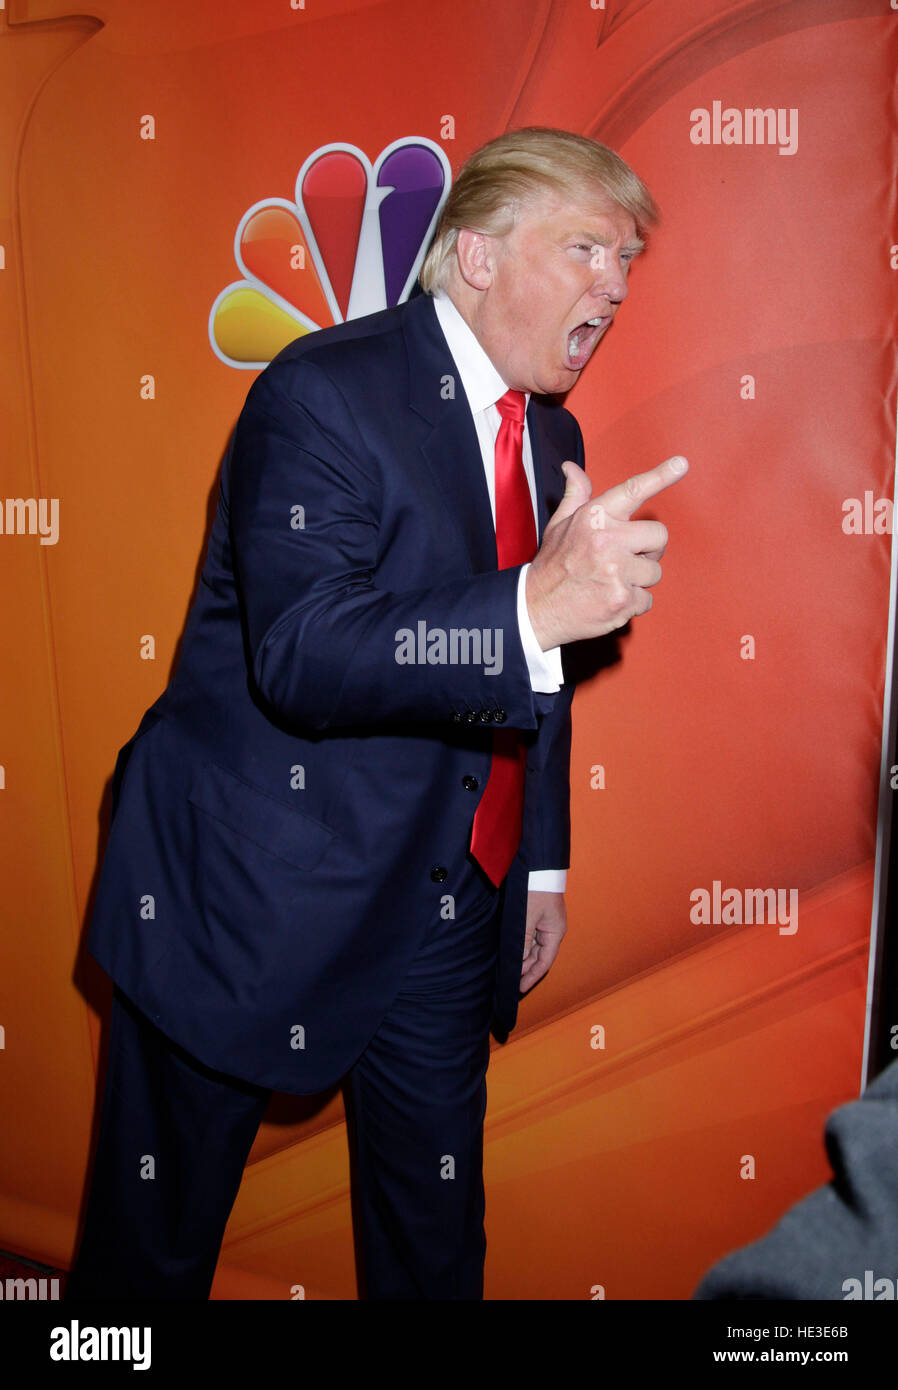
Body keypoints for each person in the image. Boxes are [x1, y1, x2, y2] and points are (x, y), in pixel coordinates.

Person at [65, 126, 687, 1301]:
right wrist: (528, 607)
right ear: (476, 259)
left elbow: (529, 671)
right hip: (242, 892)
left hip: (447, 905)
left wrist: (537, 865)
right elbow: (303, 650)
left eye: (624, 259)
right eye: (587, 246)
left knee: (432, 1243)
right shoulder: (318, 393)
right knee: (146, 1261)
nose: (613, 281)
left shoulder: (551, 434)